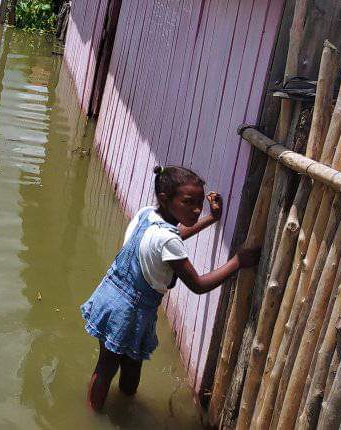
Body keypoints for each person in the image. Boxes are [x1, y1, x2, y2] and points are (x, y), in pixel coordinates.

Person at [80, 164, 260, 411]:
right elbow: (198, 285)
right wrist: (237, 262)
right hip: (130, 307)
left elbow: (170, 237)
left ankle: (122, 405)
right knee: (109, 364)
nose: (197, 209)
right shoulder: (168, 241)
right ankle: (95, 416)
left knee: (127, 360)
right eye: (189, 203)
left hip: (111, 292)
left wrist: (210, 218)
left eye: (200, 203)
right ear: (165, 199)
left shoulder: (147, 214)